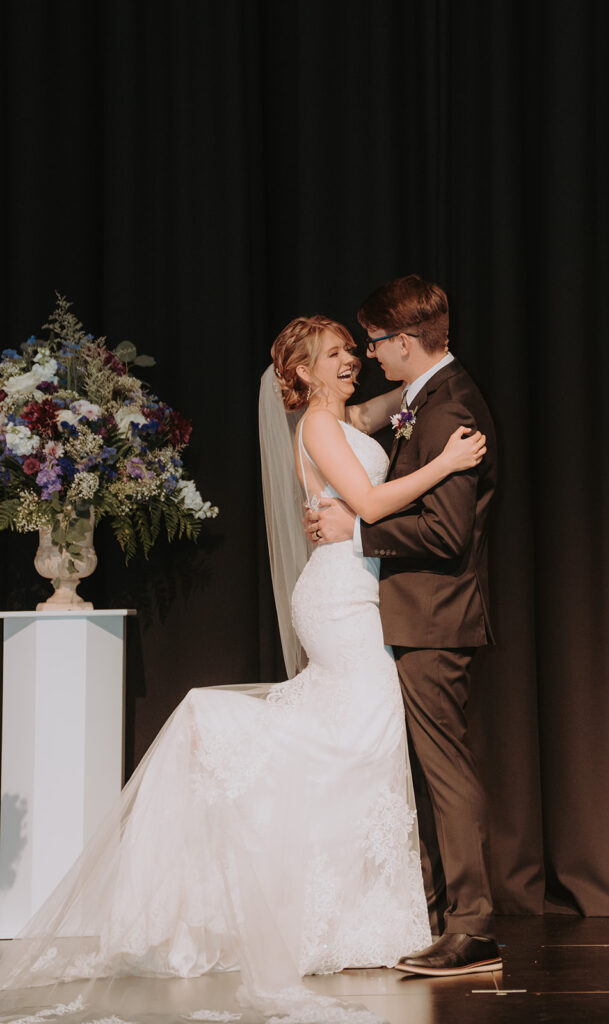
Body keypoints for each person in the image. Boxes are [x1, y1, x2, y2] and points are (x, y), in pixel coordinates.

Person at [0, 314, 486, 1023]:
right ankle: (321, 908)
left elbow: (414, 388)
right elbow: (373, 503)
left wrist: (428, 348)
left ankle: (350, 916)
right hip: (341, 596)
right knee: (360, 733)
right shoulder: (318, 428)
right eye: (332, 355)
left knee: (357, 741)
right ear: (300, 373)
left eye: (353, 348)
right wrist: (445, 465)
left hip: (360, 590)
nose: (350, 359)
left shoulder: (349, 413)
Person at [305, 276, 502, 978]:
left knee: (444, 769)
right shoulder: (427, 400)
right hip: (407, 613)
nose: (370, 353)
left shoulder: (452, 408)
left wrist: (355, 534)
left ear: (405, 340)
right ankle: (432, 909)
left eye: (377, 340)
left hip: (435, 616)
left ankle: (473, 927)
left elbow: (447, 533)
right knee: (417, 768)